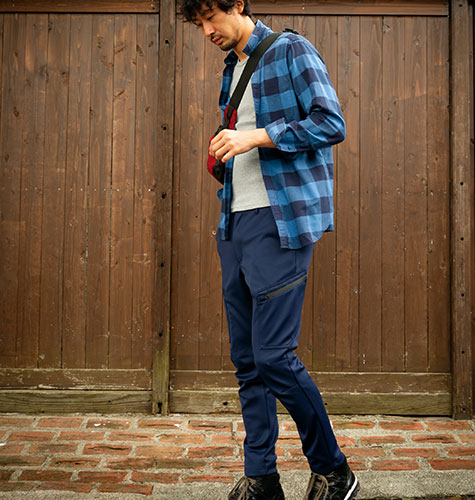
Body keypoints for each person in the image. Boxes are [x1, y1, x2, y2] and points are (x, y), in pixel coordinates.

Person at [179, 0, 359, 499]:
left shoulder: (290, 49)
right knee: (247, 360)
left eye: (211, 17)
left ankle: (334, 469)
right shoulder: (231, 68)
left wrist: (256, 136)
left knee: (274, 355)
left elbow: (331, 123)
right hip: (235, 221)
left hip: (281, 221)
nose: (207, 30)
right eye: (198, 23)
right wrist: (225, 153)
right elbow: (240, 144)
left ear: (237, 3)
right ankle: (261, 478)